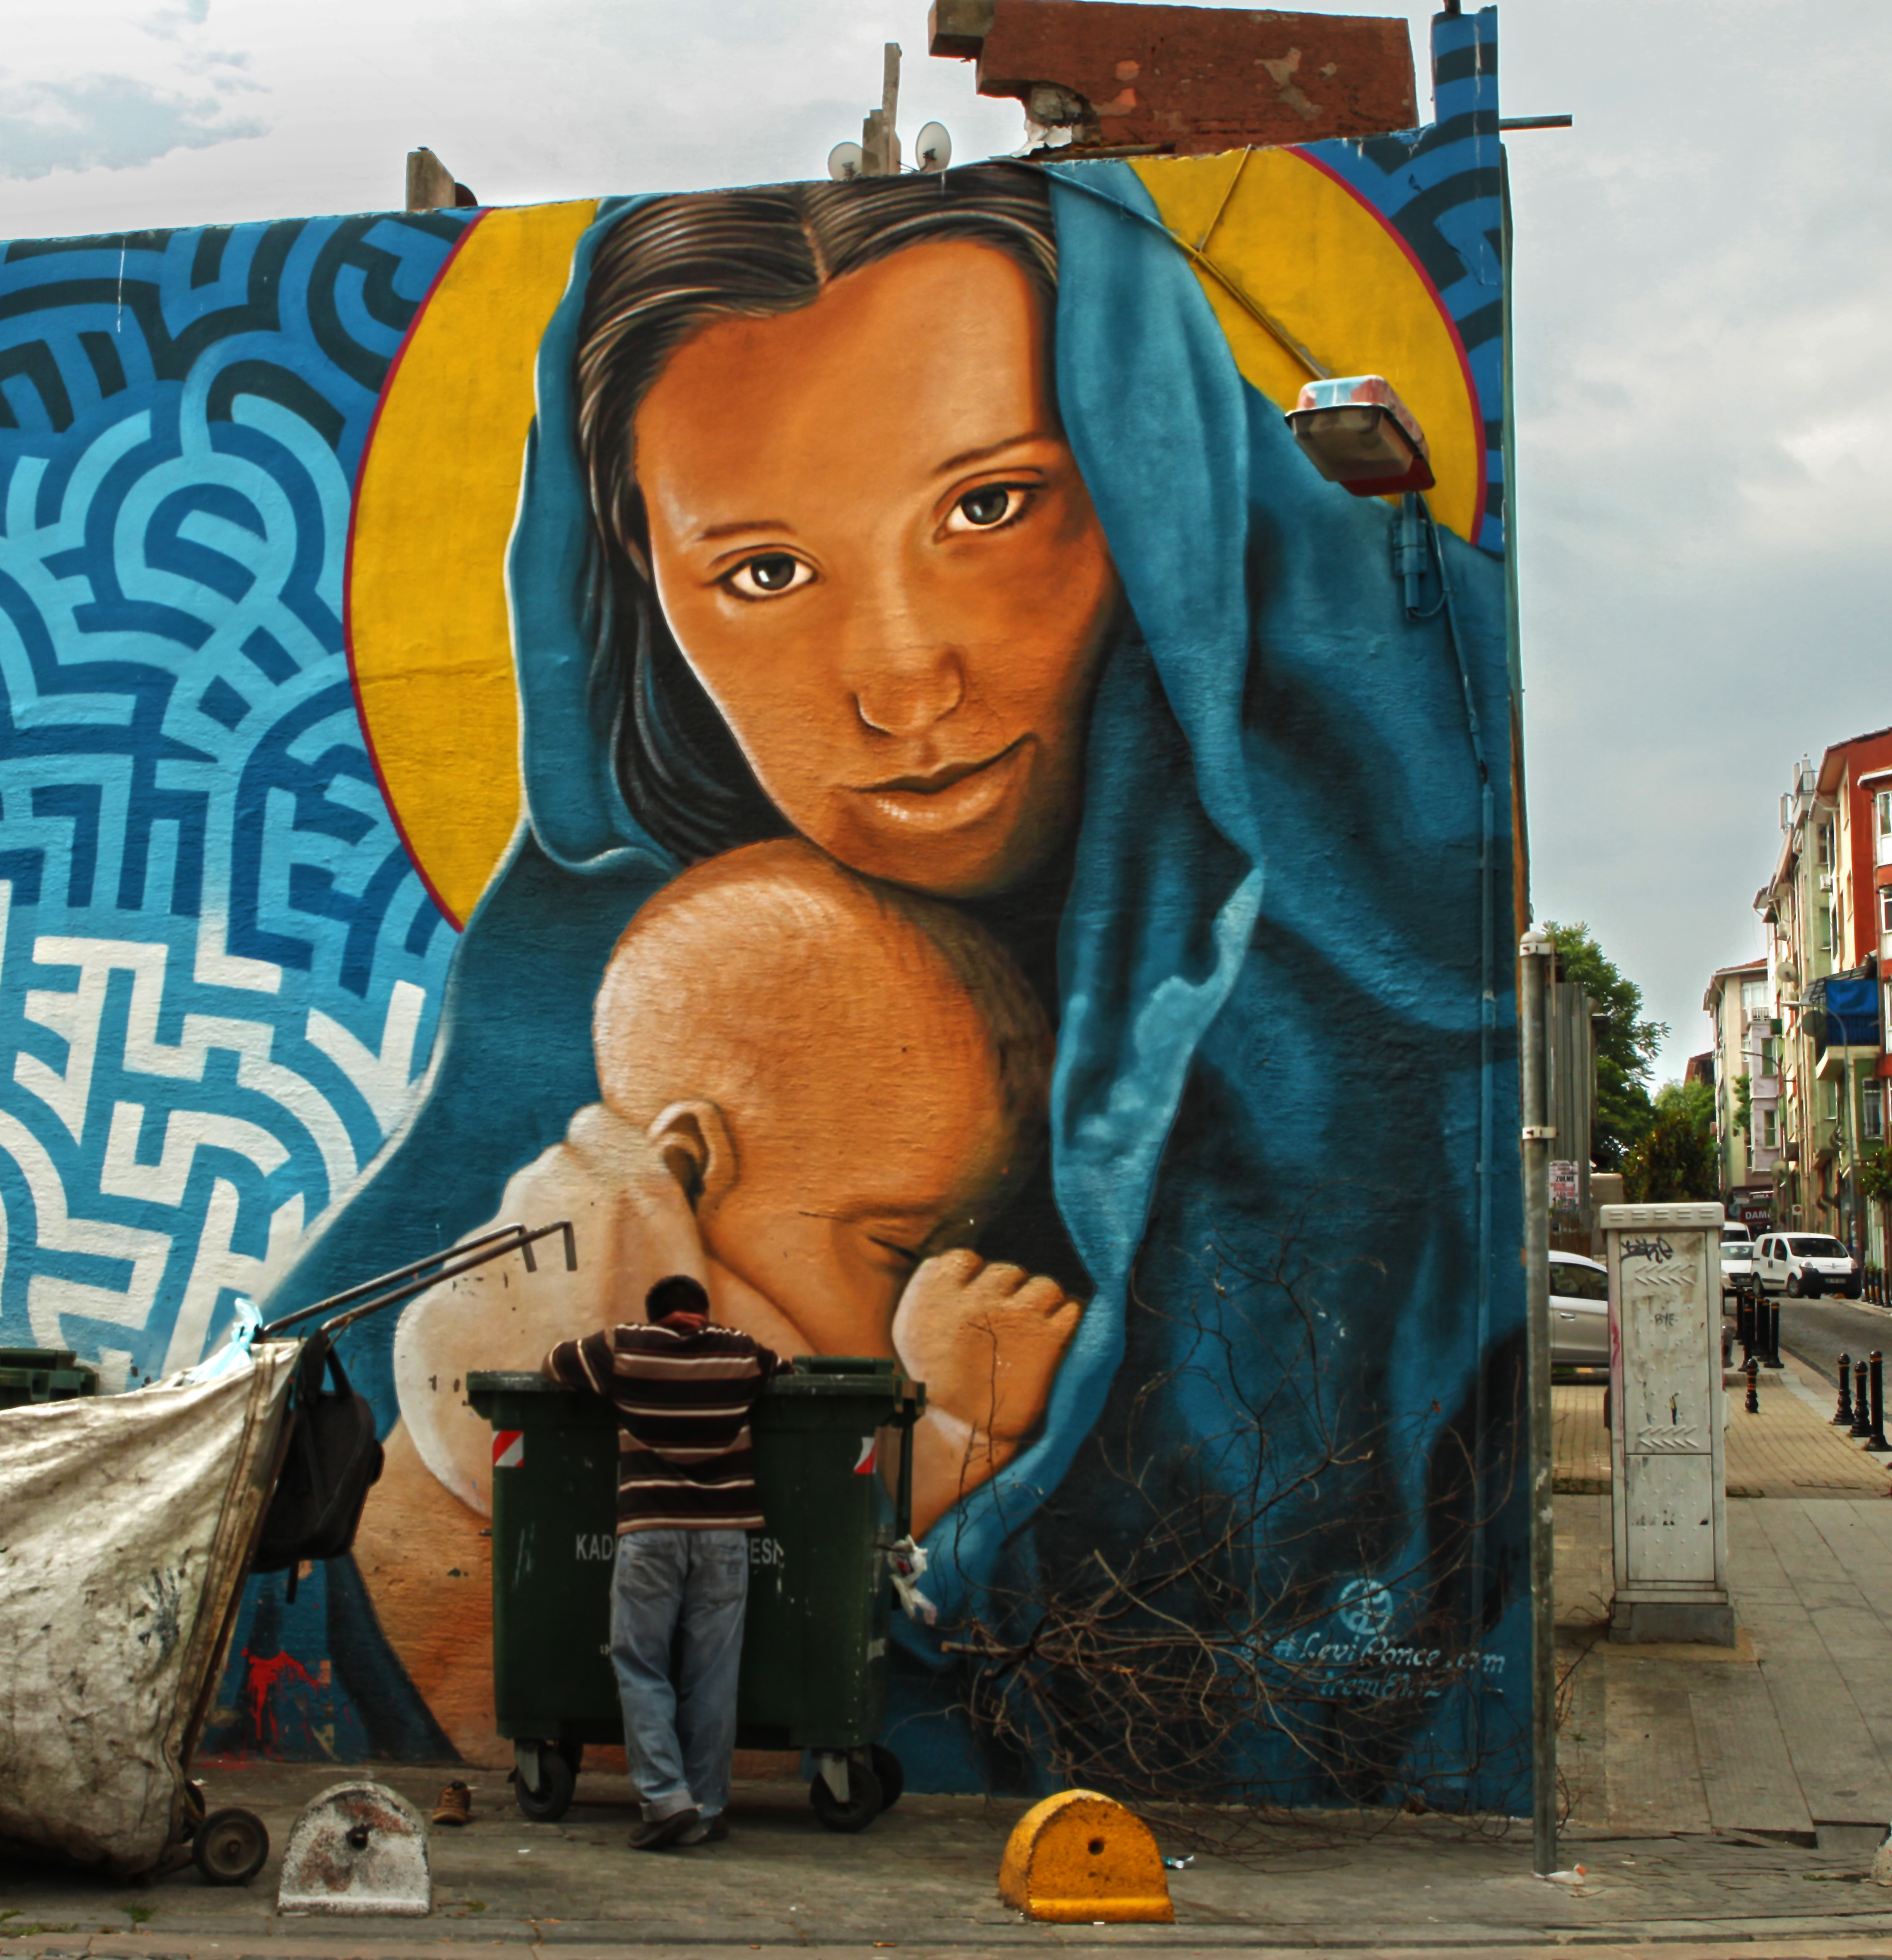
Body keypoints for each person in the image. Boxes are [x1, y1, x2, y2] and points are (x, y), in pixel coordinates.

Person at [270, 163, 1517, 1802]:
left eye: (988, 507)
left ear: (1152, 490)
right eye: (764, 574)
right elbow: (339, 1509)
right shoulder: (614, 984)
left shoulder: (1369, 871)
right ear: (638, 593)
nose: (902, 681)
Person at [362, 839, 1073, 1737]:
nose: (934, 1290)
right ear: (691, 1168)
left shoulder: (699, 1292)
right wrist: (953, 1430)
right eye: (896, 1247)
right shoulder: (575, 1254)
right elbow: (816, 1528)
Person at [546, 1273, 786, 1849]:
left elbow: (555, 1364)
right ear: (703, 1312)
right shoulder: (743, 1351)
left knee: (641, 1664)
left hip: (651, 1529)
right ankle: (706, 1805)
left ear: (655, 1315)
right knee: (713, 1674)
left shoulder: (622, 1348)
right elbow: (787, 1372)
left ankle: (665, 1799)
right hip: (724, 1535)